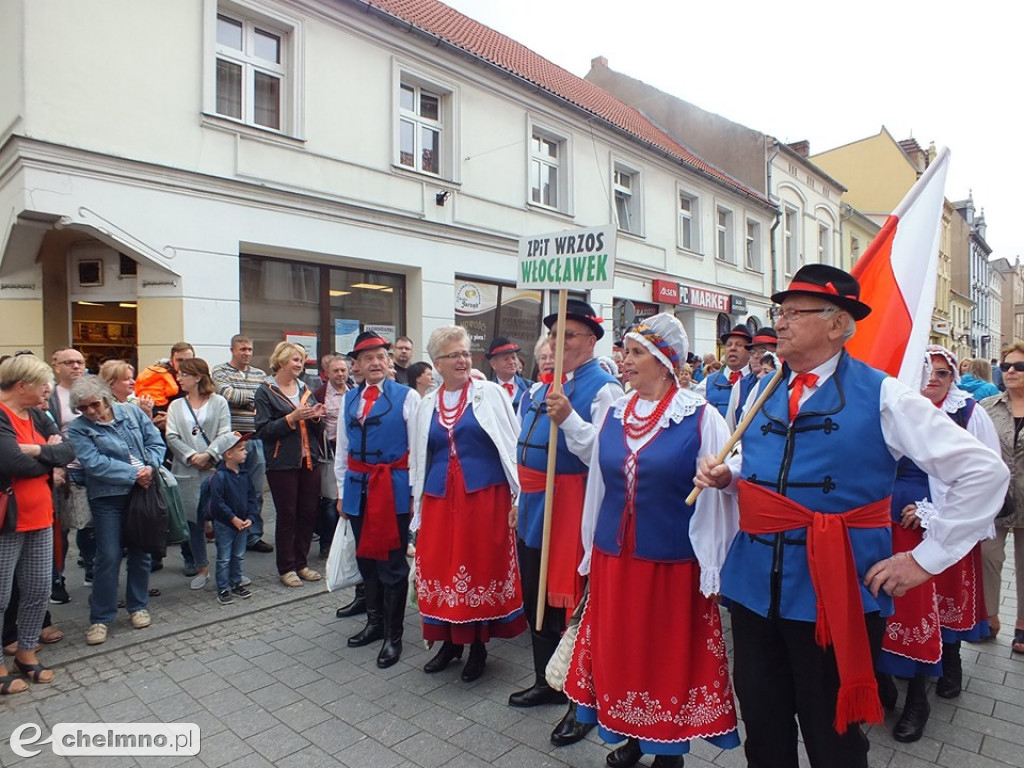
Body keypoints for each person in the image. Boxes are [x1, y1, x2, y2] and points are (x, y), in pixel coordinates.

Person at [695, 264, 1007, 768]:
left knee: (833, 735)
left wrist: (925, 559)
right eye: (781, 311)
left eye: (796, 312)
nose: (782, 322)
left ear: (838, 324)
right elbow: (758, 463)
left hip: (833, 589)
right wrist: (730, 475)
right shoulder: (763, 388)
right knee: (764, 725)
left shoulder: (886, 395)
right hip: (754, 587)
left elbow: (984, 473)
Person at [563, 314, 739, 767]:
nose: (625, 361)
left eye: (636, 353)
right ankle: (633, 735)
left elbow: (727, 485)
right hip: (615, 559)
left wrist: (715, 559)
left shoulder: (701, 417)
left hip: (671, 563)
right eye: (625, 351)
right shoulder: (615, 411)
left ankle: (668, 748)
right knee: (623, 652)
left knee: (664, 655)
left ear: (664, 362)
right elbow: (599, 483)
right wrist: (589, 547)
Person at [510, 299, 623, 748]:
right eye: (554, 337)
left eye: (569, 336)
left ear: (591, 341)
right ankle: (545, 679)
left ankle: (582, 702)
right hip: (536, 504)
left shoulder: (603, 388)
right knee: (536, 594)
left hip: (575, 508)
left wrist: (570, 419)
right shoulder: (542, 386)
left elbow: (605, 455)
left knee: (573, 606)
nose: (558, 344)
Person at [875, 345, 1000, 743]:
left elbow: (984, 475)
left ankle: (922, 693)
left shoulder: (967, 413)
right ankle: (886, 681)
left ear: (953, 379)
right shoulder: (896, 411)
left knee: (926, 612)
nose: (933, 380)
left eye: (942, 374)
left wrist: (932, 512)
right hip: (887, 519)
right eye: (927, 372)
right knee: (887, 607)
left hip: (935, 526)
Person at [411, 326, 526, 681]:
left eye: (465, 353)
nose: (462, 360)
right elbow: (420, 457)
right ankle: (448, 642)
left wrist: (518, 496)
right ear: (437, 364)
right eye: (453, 355)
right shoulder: (427, 404)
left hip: (485, 497)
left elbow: (512, 445)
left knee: (479, 567)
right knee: (442, 569)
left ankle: (478, 646)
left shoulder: (490, 394)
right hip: (440, 499)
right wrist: (416, 513)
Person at [334, 331, 420, 668]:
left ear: (389, 362)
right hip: (358, 487)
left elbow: (417, 451)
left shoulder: (407, 397)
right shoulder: (349, 400)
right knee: (366, 559)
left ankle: (393, 636)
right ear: (356, 364)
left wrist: (414, 495)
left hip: (393, 488)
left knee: (392, 563)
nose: (376, 363)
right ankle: (374, 622)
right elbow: (342, 450)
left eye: (381, 357)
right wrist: (341, 492)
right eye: (368, 358)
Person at [66, 377, 166, 646]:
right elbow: (94, 464)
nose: (90, 412)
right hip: (107, 497)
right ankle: (101, 617)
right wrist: (135, 474)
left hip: (142, 492)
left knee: (141, 550)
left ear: (106, 398)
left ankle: (138, 606)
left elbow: (156, 442)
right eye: (83, 408)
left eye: (94, 405)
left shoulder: (131, 412)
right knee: (108, 555)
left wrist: (151, 467)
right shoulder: (78, 429)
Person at [0, 355, 76, 693]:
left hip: (42, 518)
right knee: (0, 597)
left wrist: (35, 451)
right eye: (41, 383)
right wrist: (48, 459)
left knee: (37, 590)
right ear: (22, 386)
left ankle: (26, 653)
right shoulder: (2, 416)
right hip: (7, 522)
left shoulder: (39, 414)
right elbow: (10, 461)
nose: (47, 389)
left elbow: (69, 450)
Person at [254, 342, 326, 588]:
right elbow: (263, 430)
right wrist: (291, 418)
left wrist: (316, 416)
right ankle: (286, 567)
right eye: (296, 360)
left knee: (308, 513)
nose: (300, 364)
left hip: (310, 459)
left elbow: (319, 429)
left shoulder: (305, 388)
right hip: (282, 462)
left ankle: (302, 563)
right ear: (282, 360)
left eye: (302, 360)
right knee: (287, 515)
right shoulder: (265, 391)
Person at [165, 358, 233, 590]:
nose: (178, 378)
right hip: (186, 470)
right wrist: (192, 456)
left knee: (222, 518)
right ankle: (201, 567)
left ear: (197, 377)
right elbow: (172, 436)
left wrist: (210, 454)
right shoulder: (176, 406)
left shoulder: (219, 402)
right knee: (194, 521)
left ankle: (228, 568)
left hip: (214, 469)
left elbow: (225, 432)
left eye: (183, 374)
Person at [980, 342, 1024, 655]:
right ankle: (989, 617)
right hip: (996, 501)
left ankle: (1022, 625)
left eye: (1019, 367)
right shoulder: (987, 407)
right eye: (1006, 365)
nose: (1010, 371)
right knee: (987, 556)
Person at [212, 335, 272, 554]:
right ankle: (230, 534)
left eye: (250, 349)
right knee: (228, 492)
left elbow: (267, 398)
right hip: (232, 441)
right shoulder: (220, 371)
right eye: (242, 349)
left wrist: (246, 398)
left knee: (255, 491)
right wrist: (254, 399)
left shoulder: (260, 374)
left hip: (256, 439)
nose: (246, 353)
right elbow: (226, 394)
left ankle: (253, 535)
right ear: (232, 350)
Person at [46, 347, 89, 605]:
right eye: (69, 362)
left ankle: (92, 571)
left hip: (91, 469)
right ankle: (56, 579)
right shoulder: (50, 395)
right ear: (56, 366)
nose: (75, 366)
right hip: (63, 471)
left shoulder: (92, 391)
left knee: (90, 525)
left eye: (80, 362)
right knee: (60, 529)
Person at [208, 432, 257, 605]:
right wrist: (232, 518)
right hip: (225, 525)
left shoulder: (244, 475)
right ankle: (222, 587)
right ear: (229, 454)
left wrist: (250, 517)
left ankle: (236, 582)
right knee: (224, 557)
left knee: (238, 555)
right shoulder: (219, 477)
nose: (246, 452)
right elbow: (217, 503)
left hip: (243, 523)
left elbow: (252, 497)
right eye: (241, 449)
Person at [726, 327, 779, 429]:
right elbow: (730, 428)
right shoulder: (741, 386)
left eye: (762, 351)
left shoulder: (787, 383)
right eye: (752, 352)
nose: (755, 356)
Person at [694, 325, 753, 418]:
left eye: (739, 345)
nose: (732, 348)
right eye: (729, 345)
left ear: (750, 351)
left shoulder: (758, 381)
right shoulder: (708, 382)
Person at [135, 342, 195, 430]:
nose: (183, 364)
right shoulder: (159, 376)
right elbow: (155, 409)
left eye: (188, 361)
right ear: (171, 360)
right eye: (179, 360)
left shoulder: (200, 378)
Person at [486, 337, 532, 412]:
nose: (511, 362)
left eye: (513, 358)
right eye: (506, 359)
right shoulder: (487, 391)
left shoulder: (530, 387)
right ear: (493, 364)